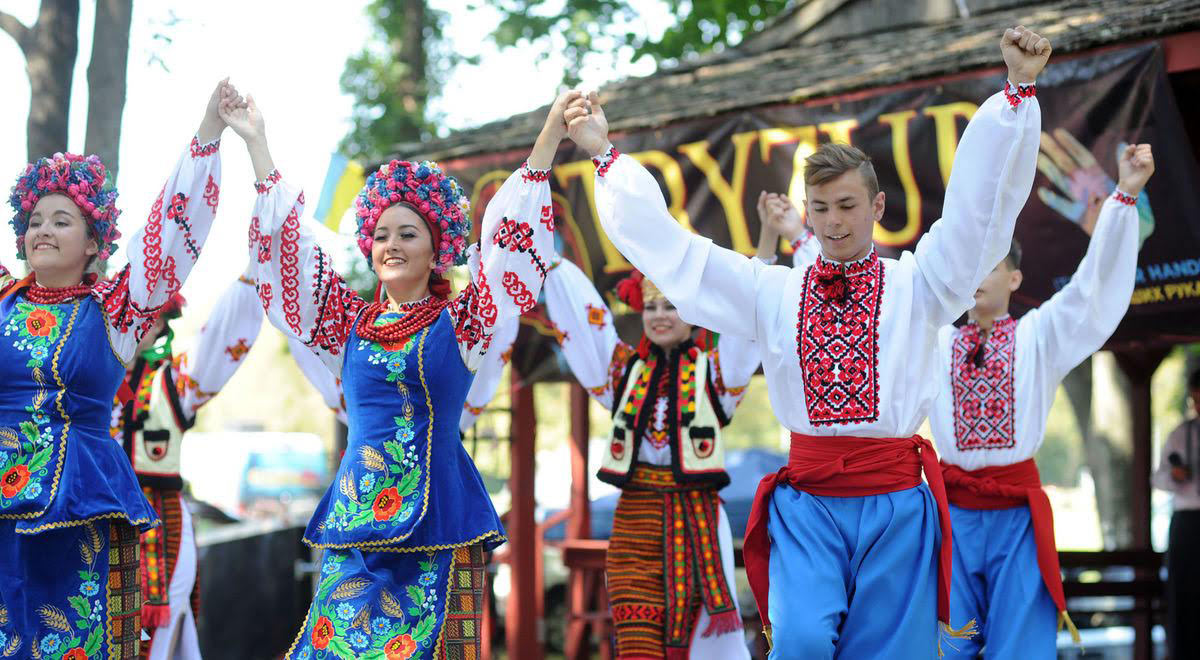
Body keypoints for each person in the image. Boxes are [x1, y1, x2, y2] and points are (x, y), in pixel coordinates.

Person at [563, 26, 1050, 658]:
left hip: (896, 504)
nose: (833, 221)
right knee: (797, 640)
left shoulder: (919, 284)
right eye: (820, 208)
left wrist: (1016, 90)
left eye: (847, 206)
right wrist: (606, 157)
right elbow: (680, 254)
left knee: (889, 653)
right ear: (808, 212)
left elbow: (977, 217)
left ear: (877, 206)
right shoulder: (775, 293)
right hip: (810, 502)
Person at [222, 88, 566, 657]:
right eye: (381, 234)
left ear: (438, 247)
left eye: (407, 233)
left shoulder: (464, 323)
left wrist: (549, 136)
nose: (391, 244)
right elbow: (292, 253)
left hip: (441, 521)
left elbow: (509, 242)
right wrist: (257, 144)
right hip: (357, 519)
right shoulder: (346, 322)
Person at [0, 78, 233, 659]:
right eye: (34, 221)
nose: (42, 231)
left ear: (92, 243)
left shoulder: (116, 310)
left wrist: (209, 129)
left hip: (82, 503)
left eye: (61, 221)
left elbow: (172, 231)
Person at [538, 195, 815, 659]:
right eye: (651, 308)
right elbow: (589, 325)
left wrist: (768, 237)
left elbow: (750, 317)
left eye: (671, 305)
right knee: (637, 637)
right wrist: (549, 260)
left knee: (710, 641)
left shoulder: (715, 372)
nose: (661, 315)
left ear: (692, 313)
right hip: (635, 516)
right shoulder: (622, 371)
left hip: (697, 517)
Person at [933, 144, 1155, 658]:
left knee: (1020, 645)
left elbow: (1091, 290)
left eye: (991, 267)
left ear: (1014, 278)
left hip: (1016, 516)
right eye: (972, 267)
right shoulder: (935, 341)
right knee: (950, 643)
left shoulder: (1039, 336)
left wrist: (1124, 197)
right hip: (957, 515)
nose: (978, 279)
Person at [112, 269, 265, 660]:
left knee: (154, 642)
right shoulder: (75, 378)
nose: (138, 322)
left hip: (157, 529)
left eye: (151, 314)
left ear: (162, 324)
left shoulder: (172, 380)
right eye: (128, 311)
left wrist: (255, 272)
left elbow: (218, 342)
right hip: (88, 524)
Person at [1153, 368, 1200, 660]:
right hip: (1186, 522)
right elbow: (1157, 479)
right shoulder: (1180, 434)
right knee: (1183, 593)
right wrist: (1176, 476)